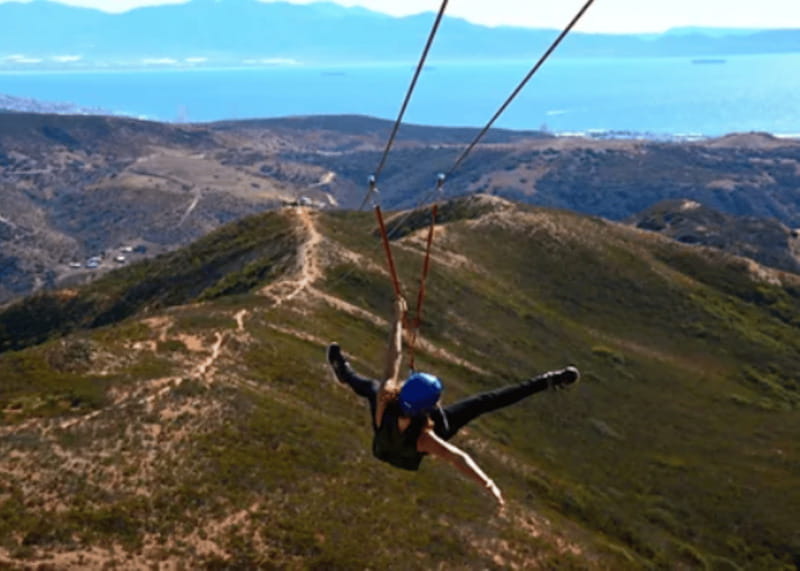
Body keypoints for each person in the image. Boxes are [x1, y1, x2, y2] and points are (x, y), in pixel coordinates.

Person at [327, 297, 579, 508]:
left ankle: (343, 372)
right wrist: (488, 485)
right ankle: (545, 382)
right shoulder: (427, 438)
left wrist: (397, 319)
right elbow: (457, 457)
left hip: (387, 442)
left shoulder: (386, 401)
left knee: (370, 387)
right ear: (429, 408)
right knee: (485, 401)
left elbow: (394, 357)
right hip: (404, 448)